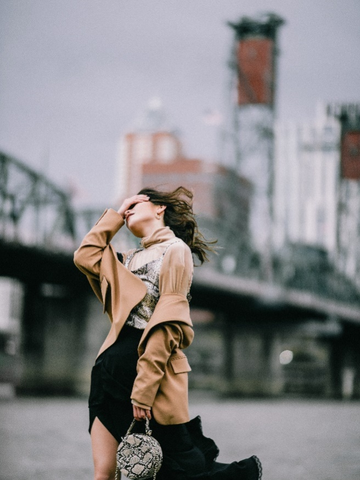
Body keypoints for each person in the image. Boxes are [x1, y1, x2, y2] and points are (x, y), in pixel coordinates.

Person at [74, 186, 262, 480]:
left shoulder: (176, 251)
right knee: (104, 474)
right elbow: (84, 256)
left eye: (138, 201)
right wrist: (116, 215)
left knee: (174, 472)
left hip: (148, 377)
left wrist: (144, 390)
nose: (130, 208)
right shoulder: (127, 258)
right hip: (107, 373)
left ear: (160, 208)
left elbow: (168, 325)